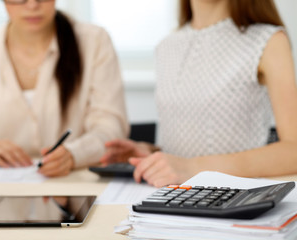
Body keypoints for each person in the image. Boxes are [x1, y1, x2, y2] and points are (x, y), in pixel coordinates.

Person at [100, 0, 297, 187]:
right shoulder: (166, 46)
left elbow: (293, 150)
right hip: (167, 196)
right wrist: (154, 155)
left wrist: (194, 168)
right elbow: (188, 143)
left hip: (229, 199)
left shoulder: (269, 41)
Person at [0, 0, 129, 177]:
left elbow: (111, 126)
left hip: (74, 185)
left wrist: (75, 153)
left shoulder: (94, 42)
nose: (32, 5)